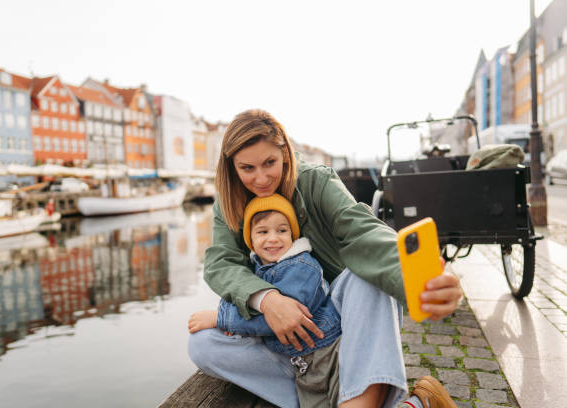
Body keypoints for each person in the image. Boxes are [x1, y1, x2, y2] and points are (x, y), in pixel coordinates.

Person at [188, 109, 462, 408]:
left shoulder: (315, 181)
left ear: (285, 154)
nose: (261, 178)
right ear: (232, 168)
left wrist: (418, 282)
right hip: (282, 340)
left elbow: (362, 231)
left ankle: (355, 400)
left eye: (270, 163)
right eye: (247, 168)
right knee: (202, 345)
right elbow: (222, 264)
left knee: (363, 278)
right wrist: (268, 301)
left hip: (336, 326)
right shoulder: (229, 203)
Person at [189, 194, 343, 407]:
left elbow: (279, 320)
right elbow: (246, 302)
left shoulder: (301, 267)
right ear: (250, 240)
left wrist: (221, 319)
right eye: (263, 231)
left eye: (282, 230)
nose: (273, 238)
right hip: (298, 356)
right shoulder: (259, 269)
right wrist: (234, 324)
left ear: (292, 235)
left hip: (321, 356)